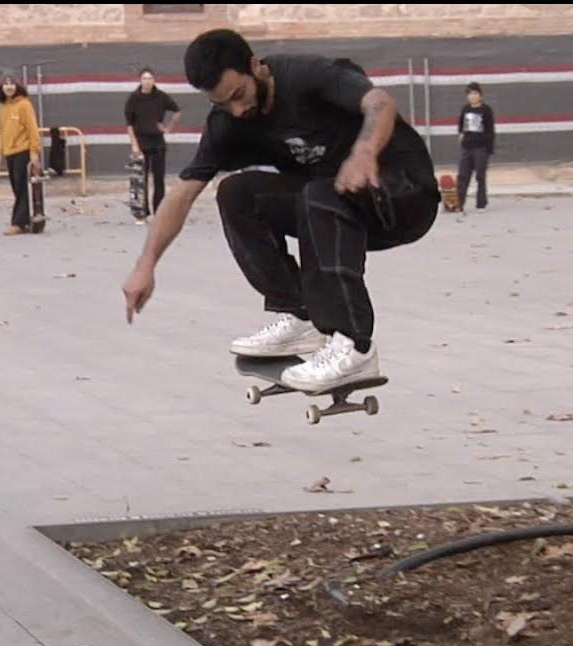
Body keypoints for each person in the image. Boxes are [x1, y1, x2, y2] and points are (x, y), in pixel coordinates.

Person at [120, 29, 440, 393]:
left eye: (239, 95)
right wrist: (146, 264)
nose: (237, 110)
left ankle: (355, 347)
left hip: (404, 194)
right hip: (336, 208)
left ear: (255, 66)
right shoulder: (227, 124)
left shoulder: (305, 76)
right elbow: (183, 194)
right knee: (237, 193)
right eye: (223, 104)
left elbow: (380, 102)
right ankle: (301, 316)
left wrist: (364, 152)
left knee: (320, 193)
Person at [124, 68, 183, 218]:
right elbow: (129, 124)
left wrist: (168, 128)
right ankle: (142, 211)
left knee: (159, 179)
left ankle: (159, 211)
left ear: (154, 80)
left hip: (157, 142)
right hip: (141, 142)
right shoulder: (133, 99)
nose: (147, 81)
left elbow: (177, 111)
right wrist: (134, 145)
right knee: (141, 180)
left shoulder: (161, 97)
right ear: (140, 80)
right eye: (145, 78)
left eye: (150, 78)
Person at [0, 72, 42, 235]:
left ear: (18, 86)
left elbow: (33, 129)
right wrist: (0, 153)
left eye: (12, 84)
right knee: (16, 187)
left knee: (21, 187)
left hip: (23, 151)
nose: (9, 87)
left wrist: (34, 153)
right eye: (6, 84)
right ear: (2, 87)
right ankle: (25, 220)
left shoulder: (24, 105)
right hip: (9, 152)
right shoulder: (2, 107)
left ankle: (18, 223)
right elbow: (1, 131)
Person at [456, 81, 495, 212]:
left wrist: (488, 149)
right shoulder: (465, 109)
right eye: (470, 94)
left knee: (480, 176)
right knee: (463, 175)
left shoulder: (486, 110)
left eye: (475, 93)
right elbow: (461, 125)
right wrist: (461, 134)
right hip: (467, 148)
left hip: (481, 149)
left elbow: (490, 130)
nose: (472, 96)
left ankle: (481, 203)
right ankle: (459, 202)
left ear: (480, 95)